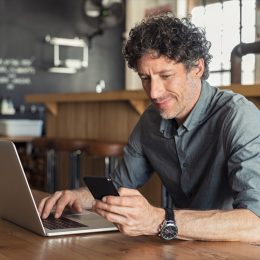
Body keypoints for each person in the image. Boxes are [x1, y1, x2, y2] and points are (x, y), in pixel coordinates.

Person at [38, 13, 260, 242]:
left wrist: (158, 220)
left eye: (166, 75)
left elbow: (257, 224)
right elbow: (119, 184)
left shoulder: (239, 118)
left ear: (198, 68)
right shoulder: (151, 121)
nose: (153, 92)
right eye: (146, 78)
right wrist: (77, 197)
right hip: (186, 246)